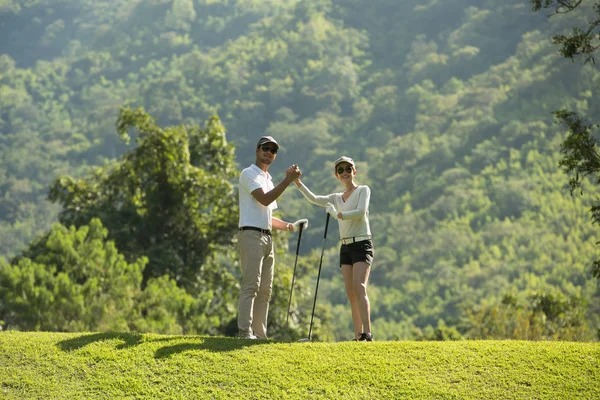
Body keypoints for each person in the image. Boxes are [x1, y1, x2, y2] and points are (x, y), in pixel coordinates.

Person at [294, 156, 374, 341]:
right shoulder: (336, 197)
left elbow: (361, 212)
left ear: (354, 171)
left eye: (348, 169)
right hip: (345, 246)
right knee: (351, 292)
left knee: (359, 287)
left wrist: (338, 214)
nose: (345, 172)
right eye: (341, 170)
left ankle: (367, 333)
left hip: (362, 244)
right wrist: (297, 182)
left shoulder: (363, 190)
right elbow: (314, 198)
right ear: (336, 175)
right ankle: (357, 336)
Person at [237, 135, 308, 340]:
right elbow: (265, 199)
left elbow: (268, 215)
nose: (269, 152)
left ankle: (260, 335)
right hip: (250, 235)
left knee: (265, 290)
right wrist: (288, 179)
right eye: (265, 148)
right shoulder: (248, 173)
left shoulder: (267, 179)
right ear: (257, 150)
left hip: (266, 237)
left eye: (273, 150)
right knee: (251, 285)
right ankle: (245, 332)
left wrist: (289, 227)